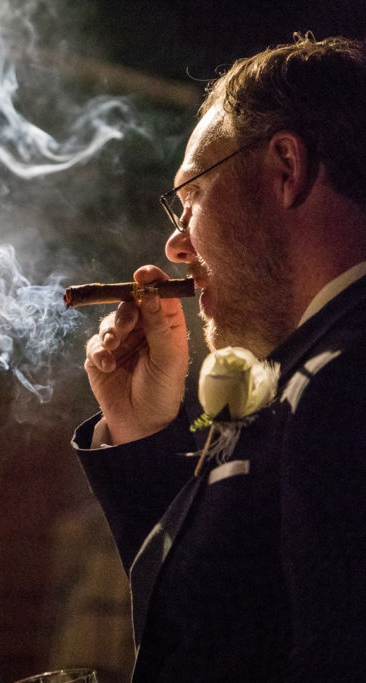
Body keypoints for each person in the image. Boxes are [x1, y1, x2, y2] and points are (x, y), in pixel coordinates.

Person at [72, 34, 366, 680]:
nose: (176, 246)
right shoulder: (303, 376)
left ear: (286, 168)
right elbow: (226, 618)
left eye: (193, 196)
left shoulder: (341, 383)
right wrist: (141, 430)